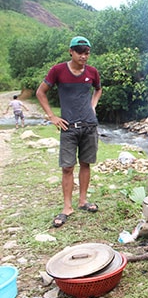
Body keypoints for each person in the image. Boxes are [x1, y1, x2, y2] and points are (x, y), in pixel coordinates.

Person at [36, 36, 103, 228]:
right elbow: (41, 92)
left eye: (87, 53)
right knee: (67, 167)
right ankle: (67, 207)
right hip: (68, 127)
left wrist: (93, 105)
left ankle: (82, 201)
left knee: (86, 163)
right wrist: (52, 116)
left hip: (89, 126)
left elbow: (98, 89)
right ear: (71, 51)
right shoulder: (57, 70)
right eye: (80, 52)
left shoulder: (92, 72)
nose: (83, 56)